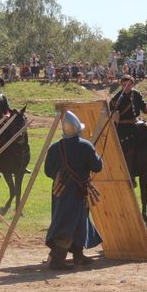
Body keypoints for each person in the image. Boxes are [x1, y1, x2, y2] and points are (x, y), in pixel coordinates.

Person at [44, 110, 103, 270]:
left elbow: (48, 171)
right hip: (76, 191)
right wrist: (96, 154)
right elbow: (97, 166)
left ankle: (78, 255)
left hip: (60, 191)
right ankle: (57, 260)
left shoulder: (55, 147)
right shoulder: (85, 146)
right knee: (67, 223)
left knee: (79, 221)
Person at [109, 74, 147, 183]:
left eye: (128, 85)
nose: (126, 87)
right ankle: (130, 174)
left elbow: (142, 106)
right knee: (129, 147)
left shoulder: (136, 94)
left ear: (132, 84)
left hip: (136, 123)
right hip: (122, 127)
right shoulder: (116, 98)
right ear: (121, 85)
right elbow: (112, 113)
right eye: (124, 85)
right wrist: (115, 108)